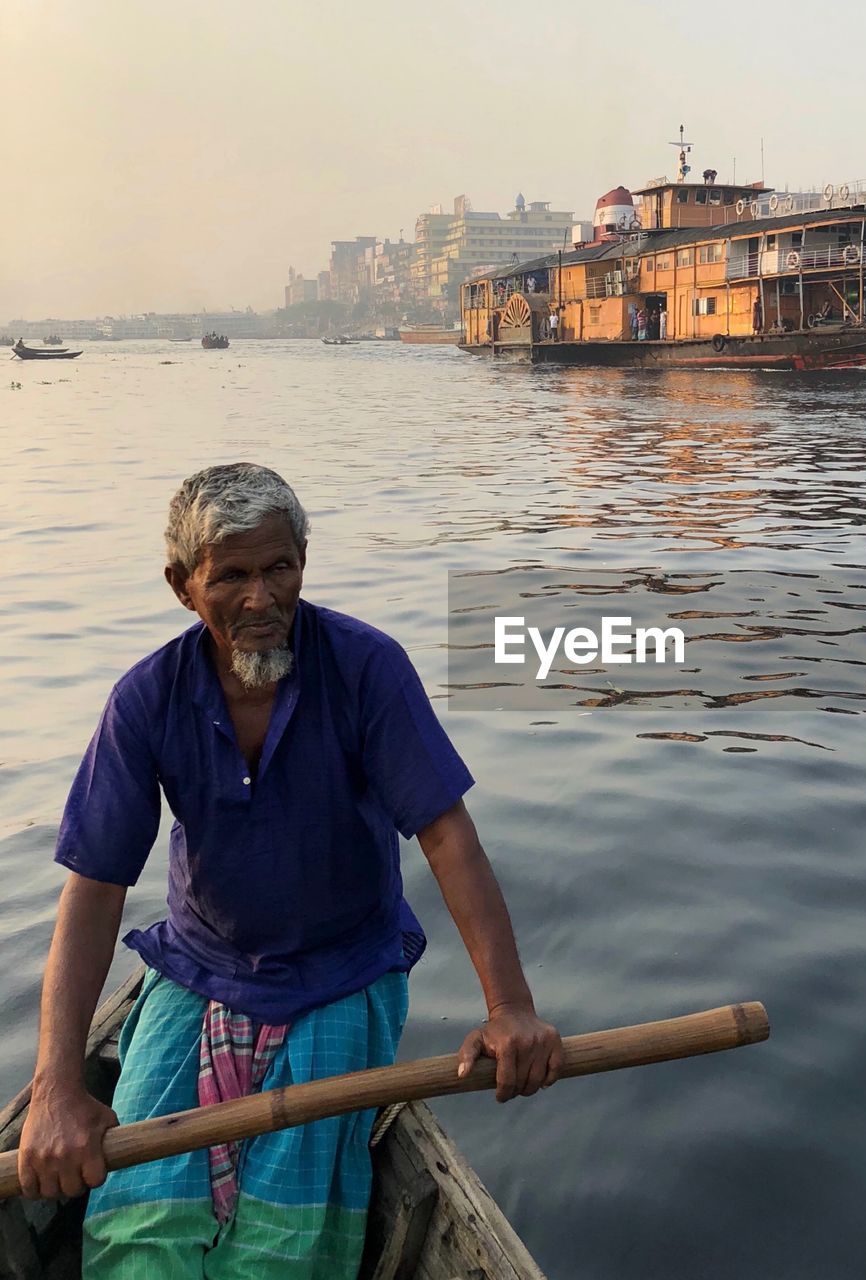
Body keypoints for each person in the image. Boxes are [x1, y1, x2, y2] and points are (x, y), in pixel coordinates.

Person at [18, 463, 561, 1277]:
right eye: (231, 575)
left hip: (343, 969)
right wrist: (57, 1086)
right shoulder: (146, 699)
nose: (262, 598)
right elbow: (94, 892)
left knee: (284, 1248)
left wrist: (510, 1007)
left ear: (304, 560)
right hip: (199, 968)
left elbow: (450, 841)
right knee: (137, 1227)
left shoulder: (366, 668)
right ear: (181, 585)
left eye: (280, 568)